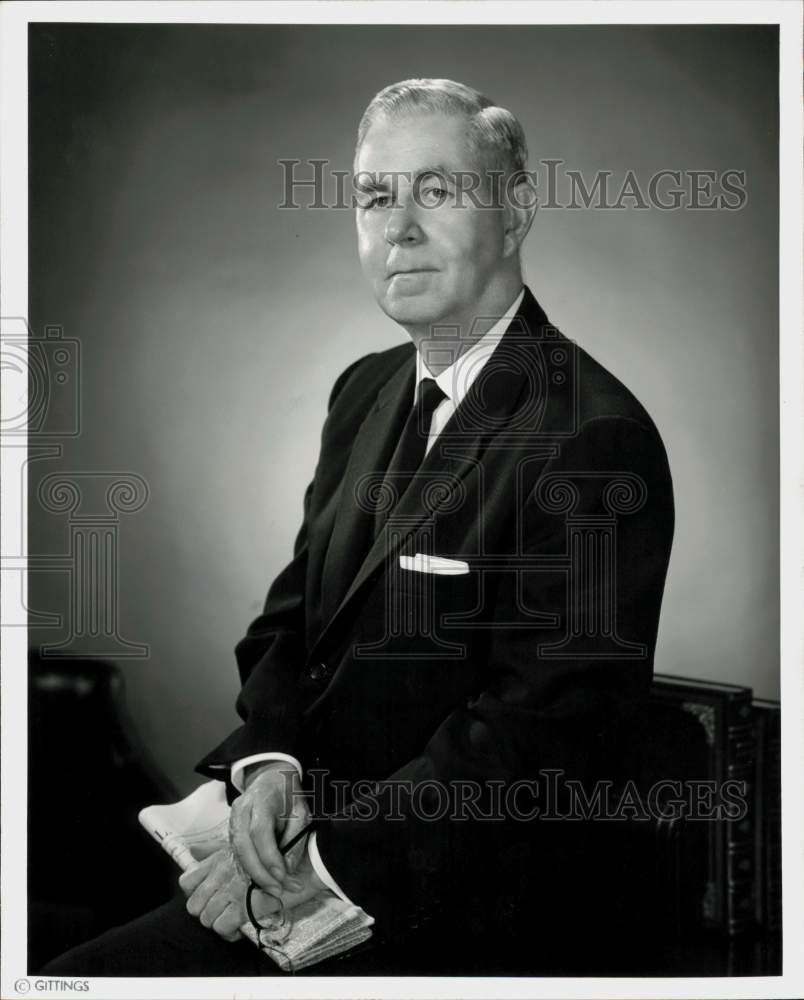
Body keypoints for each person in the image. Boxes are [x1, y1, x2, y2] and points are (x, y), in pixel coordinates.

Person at [44, 78, 674, 976]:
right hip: (301, 859)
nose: (398, 227)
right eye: (376, 196)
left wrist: (320, 860)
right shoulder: (366, 390)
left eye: (438, 191)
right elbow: (294, 622)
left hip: (458, 916)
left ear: (517, 212)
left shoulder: (594, 434)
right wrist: (268, 768)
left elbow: (536, 746)